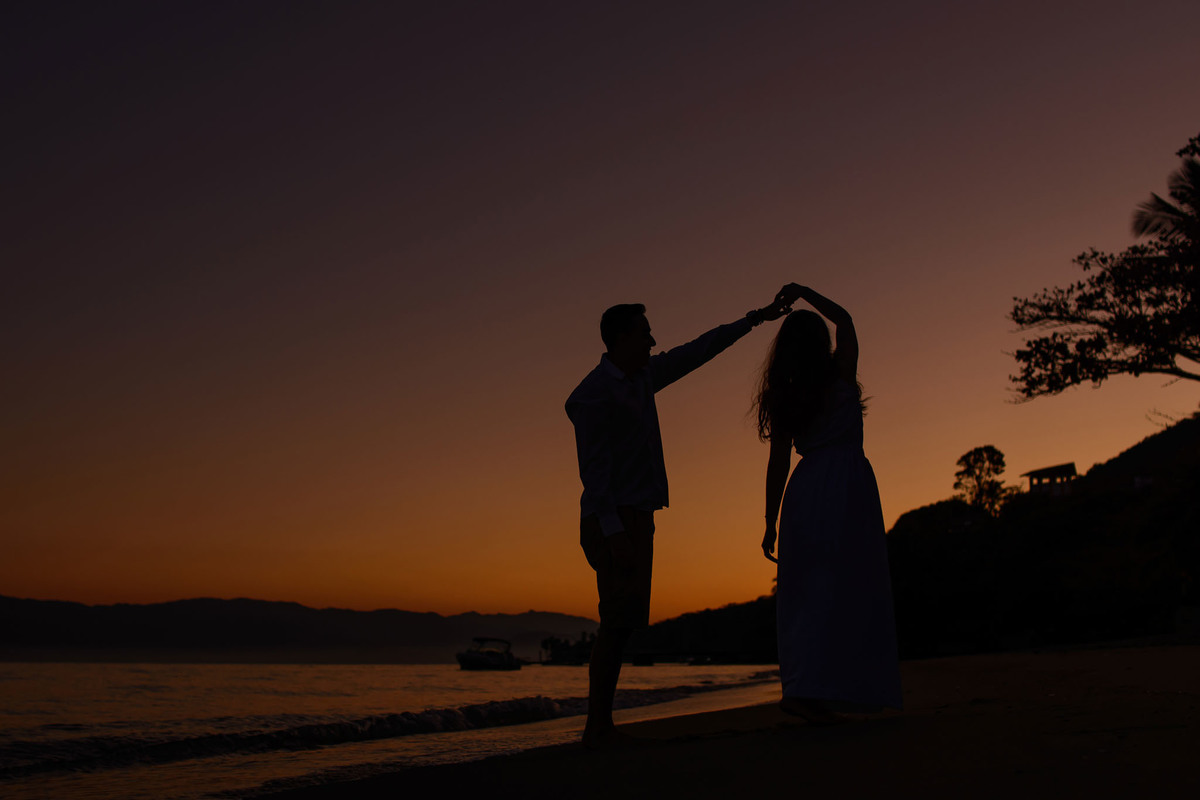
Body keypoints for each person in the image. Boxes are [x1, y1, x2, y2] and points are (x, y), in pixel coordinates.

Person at [567, 290, 796, 749]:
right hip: (612, 518)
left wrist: (756, 318)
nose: (654, 342)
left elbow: (699, 351)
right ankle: (596, 727)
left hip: (638, 514)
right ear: (621, 338)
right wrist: (615, 535)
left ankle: (601, 725)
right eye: (645, 333)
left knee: (624, 620)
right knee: (615, 620)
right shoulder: (593, 395)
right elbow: (593, 474)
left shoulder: (642, 378)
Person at [754, 283, 902, 724]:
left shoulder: (787, 390)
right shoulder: (840, 374)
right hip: (847, 482)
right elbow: (847, 321)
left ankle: (807, 689)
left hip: (806, 489)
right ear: (820, 343)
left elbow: (778, 461)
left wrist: (769, 520)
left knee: (808, 592)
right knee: (849, 586)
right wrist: (803, 292)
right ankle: (826, 690)